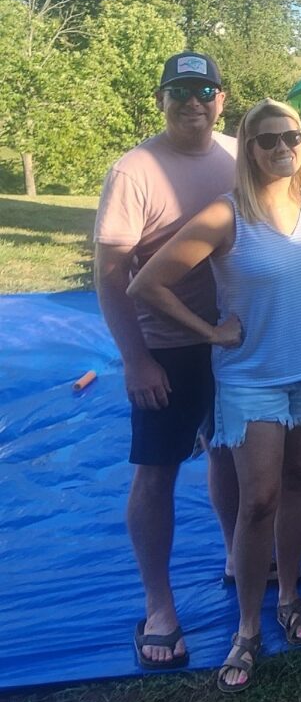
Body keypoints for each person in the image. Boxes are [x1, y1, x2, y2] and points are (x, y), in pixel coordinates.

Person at [129, 98, 301, 692]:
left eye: (292, 138)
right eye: (269, 140)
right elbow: (149, 282)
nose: (282, 149)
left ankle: (291, 596)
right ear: (249, 147)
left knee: (300, 478)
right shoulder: (226, 215)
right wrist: (210, 333)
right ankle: (247, 627)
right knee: (258, 500)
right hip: (251, 376)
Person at [94, 51, 238, 670]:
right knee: (157, 470)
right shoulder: (135, 170)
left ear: (221, 99)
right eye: (179, 91)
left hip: (231, 339)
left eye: (203, 90)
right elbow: (109, 276)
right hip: (166, 347)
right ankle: (159, 606)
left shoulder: (240, 154)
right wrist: (134, 359)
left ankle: (240, 556)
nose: (192, 102)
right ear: (161, 100)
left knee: (229, 447)